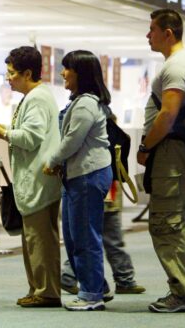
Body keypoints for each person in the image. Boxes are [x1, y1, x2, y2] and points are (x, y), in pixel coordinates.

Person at [0, 46, 62, 308]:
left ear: (28, 73)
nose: (8, 78)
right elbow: (29, 132)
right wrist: (4, 128)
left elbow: (32, 137)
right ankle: (38, 288)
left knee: (40, 240)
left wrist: (3, 134)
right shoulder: (35, 97)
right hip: (36, 178)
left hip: (38, 180)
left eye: (12, 73)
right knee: (34, 240)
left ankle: (46, 292)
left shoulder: (37, 98)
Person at [136, 9, 185, 313]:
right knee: (179, 222)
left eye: (152, 29)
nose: (147, 35)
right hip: (175, 153)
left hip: (170, 153)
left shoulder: (176, 66)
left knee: (168, 223)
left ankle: (184, 293)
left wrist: (145, 146)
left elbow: (167, 115)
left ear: (168, 32)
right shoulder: (177, 63)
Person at [43, 50, 113, 312]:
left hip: (87, 175)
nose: (63, 73)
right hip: (78, 176)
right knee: (74, 237)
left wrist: (52, 160)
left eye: (67, 69)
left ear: (80, 73)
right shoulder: (79, 102)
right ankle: (96, 285)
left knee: (84, 237)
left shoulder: (85, 104)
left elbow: (72, 141)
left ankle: (91, 293)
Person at [61, 111, 146, 296]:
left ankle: (68, 275)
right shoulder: (109, 139)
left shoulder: (93, 139)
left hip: (99, 190)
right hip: (107, 194)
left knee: (87, 237)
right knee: (109, 239)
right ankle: (124, 279)